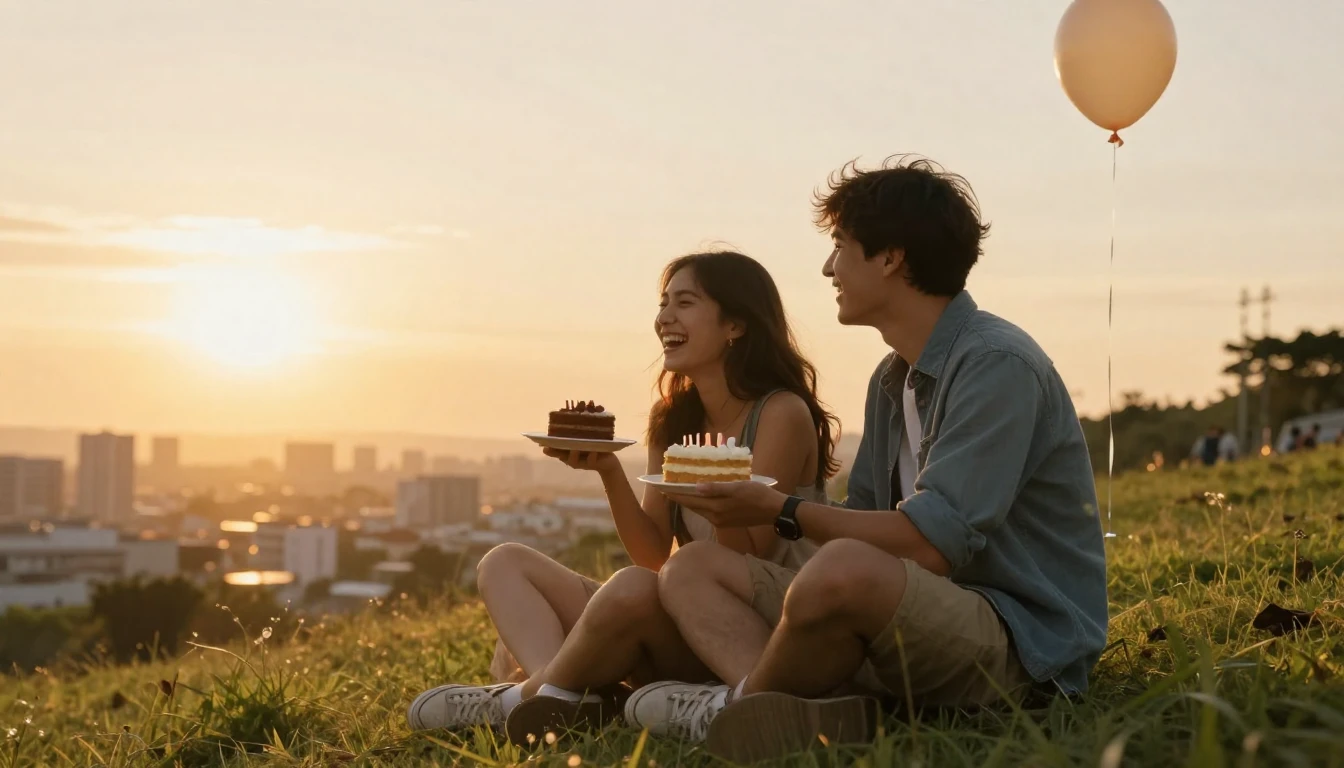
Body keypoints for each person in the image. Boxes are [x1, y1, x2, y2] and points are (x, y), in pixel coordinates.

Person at [616, 157, 1109, 763]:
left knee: (844, 566)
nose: (829, 268)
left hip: (1020, 645)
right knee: (691, 568)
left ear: (891, 258)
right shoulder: (890, 378)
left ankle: (739, 705)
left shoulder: (994, 363)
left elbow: (930, 544)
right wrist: (745, 531)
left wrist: (781, 508)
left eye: (841, 246)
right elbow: (867, 520)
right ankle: (804, 705)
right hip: (912, 611)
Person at [405, 251, 841, 744]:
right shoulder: (674, 419)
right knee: (504, 563)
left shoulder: (781, 413)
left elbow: (746, 560)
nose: (664, 318)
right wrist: (609, 471)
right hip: (677, 616)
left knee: (637, 586)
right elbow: (654, 551)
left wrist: (717, 497)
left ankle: (521, 697)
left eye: (685, 302)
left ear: (735, 324)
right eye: (663, 303)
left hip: (743, 631)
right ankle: (566, 693)